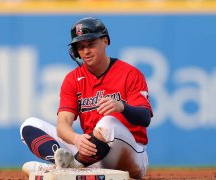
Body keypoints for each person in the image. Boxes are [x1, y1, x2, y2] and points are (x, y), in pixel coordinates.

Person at [20, 17, 153, 179]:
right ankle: (66, 167)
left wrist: (122, 106)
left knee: (107, 123)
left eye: (91, 44)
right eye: (80, 47)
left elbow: (145, 118)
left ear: (105, 41)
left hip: (130, 154)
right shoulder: (72, 79)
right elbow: (63, 125)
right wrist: (76, 139)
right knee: (29, 124)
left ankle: (68, 167)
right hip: (91, 157)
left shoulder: (130, 73)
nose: (86, 51)